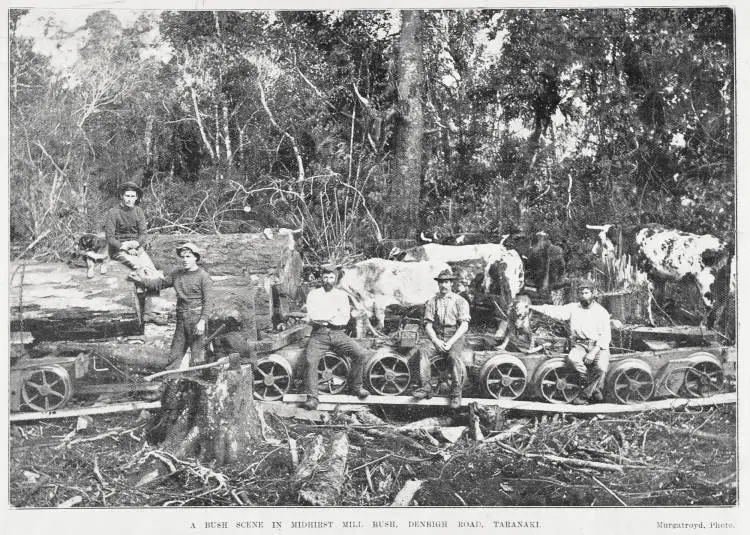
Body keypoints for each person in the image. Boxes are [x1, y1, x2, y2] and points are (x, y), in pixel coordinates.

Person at [131, 242, 213, 368]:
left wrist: (202, 321)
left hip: (196, 319)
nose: (185, 260)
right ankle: (171, 383)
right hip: (181, 319)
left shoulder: (203, 277)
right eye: (183, 257)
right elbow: (159, 284)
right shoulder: (177, 274)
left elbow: (208, 302)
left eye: (188, 256)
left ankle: (200, 386)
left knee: (198, 358)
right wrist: (140, 280)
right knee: (174, 355)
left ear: (196, 257)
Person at [529, 279, 611, 404]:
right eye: (581, 293)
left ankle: (585, 395)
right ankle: (592, 386)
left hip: (598, 346)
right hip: (580, 345)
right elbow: (555, 311)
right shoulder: (573, 308)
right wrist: (531, 307)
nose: (583, 296)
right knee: (572, 359)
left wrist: (593, 353)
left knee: (600, 367)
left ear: (593, 294)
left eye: (586, 293)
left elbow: (605, 337)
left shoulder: (601, 312)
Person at [302, 264, 370, 410]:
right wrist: (332, 315)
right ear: (321, 278)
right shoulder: (313, 295)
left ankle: (356, 387)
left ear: (335, 278)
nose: (328, 280)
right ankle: (313, 398)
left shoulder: (341, 295)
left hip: (338, 333)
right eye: (325, 277)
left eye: (331, 277)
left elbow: (344, 318)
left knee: (360, 353)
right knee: (310, 360)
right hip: (318, 334)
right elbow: (314, 315)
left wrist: (325, 317)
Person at [412, 268, 471, 409]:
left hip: (455, 335)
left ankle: (456, 392)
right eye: (441, 283)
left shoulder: (460, 301)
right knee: (423, 351)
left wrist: (450, 342)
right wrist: (436, 341)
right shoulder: (432, 302)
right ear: (438, 284)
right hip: (438, 335)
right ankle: (426, 387)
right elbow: (428, 325)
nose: (443, 285)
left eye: (446, 282)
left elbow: (464, 325)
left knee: (453, 357)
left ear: (451, 284)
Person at [104, 181, 160, 279]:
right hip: (119, 249)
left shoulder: (138, 211)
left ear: (136, 197)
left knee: (151, 269)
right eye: (127, 196)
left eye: (132, 196)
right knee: (140, 267)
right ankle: (140, 290)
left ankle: (151, 291)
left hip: (136, 247)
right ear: (122, 196)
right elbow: (110, 237)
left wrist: (136, 244)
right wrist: (124, 247)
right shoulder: (113, 213)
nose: (130, 200)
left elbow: (143, 234)